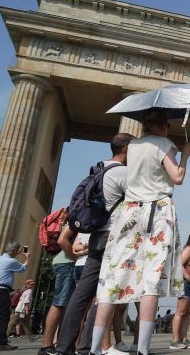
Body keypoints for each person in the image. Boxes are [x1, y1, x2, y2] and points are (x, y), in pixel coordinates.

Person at [92, 108, 190, 355]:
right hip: (157, 212)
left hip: (129, 212)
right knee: (151, 279)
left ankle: (95, 348)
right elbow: (177, 177)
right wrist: (185, 156)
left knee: (112, 277)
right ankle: (143, 349)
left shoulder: (132, 146)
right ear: (165, 125)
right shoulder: (164, 144)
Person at [48, 133, 134, 355]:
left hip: (97, 237)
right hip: (115, 239)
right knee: (105, 295)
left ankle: (64, 347)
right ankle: (86, 347)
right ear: (126, 148)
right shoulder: (123, 173)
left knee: (81, 294)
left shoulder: (98, 169)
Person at [38, 218, 77, 355]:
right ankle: (46, 346)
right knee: (59, 303)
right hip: (67, 263)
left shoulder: (69, 218)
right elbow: (62, 240)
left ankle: (58, 344)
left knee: (65, 305)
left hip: (64, 262)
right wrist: (75, 257)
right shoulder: (74, 217)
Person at [0, 241, 29, 350]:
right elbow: (24, 268)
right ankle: (2, 343)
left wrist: (16, 253)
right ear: (14, 251)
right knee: (4, 318)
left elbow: (11, 256)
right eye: (17, 250)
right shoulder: (11, 261)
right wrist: (27, 257)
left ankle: (2, 342)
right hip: (1, 293)